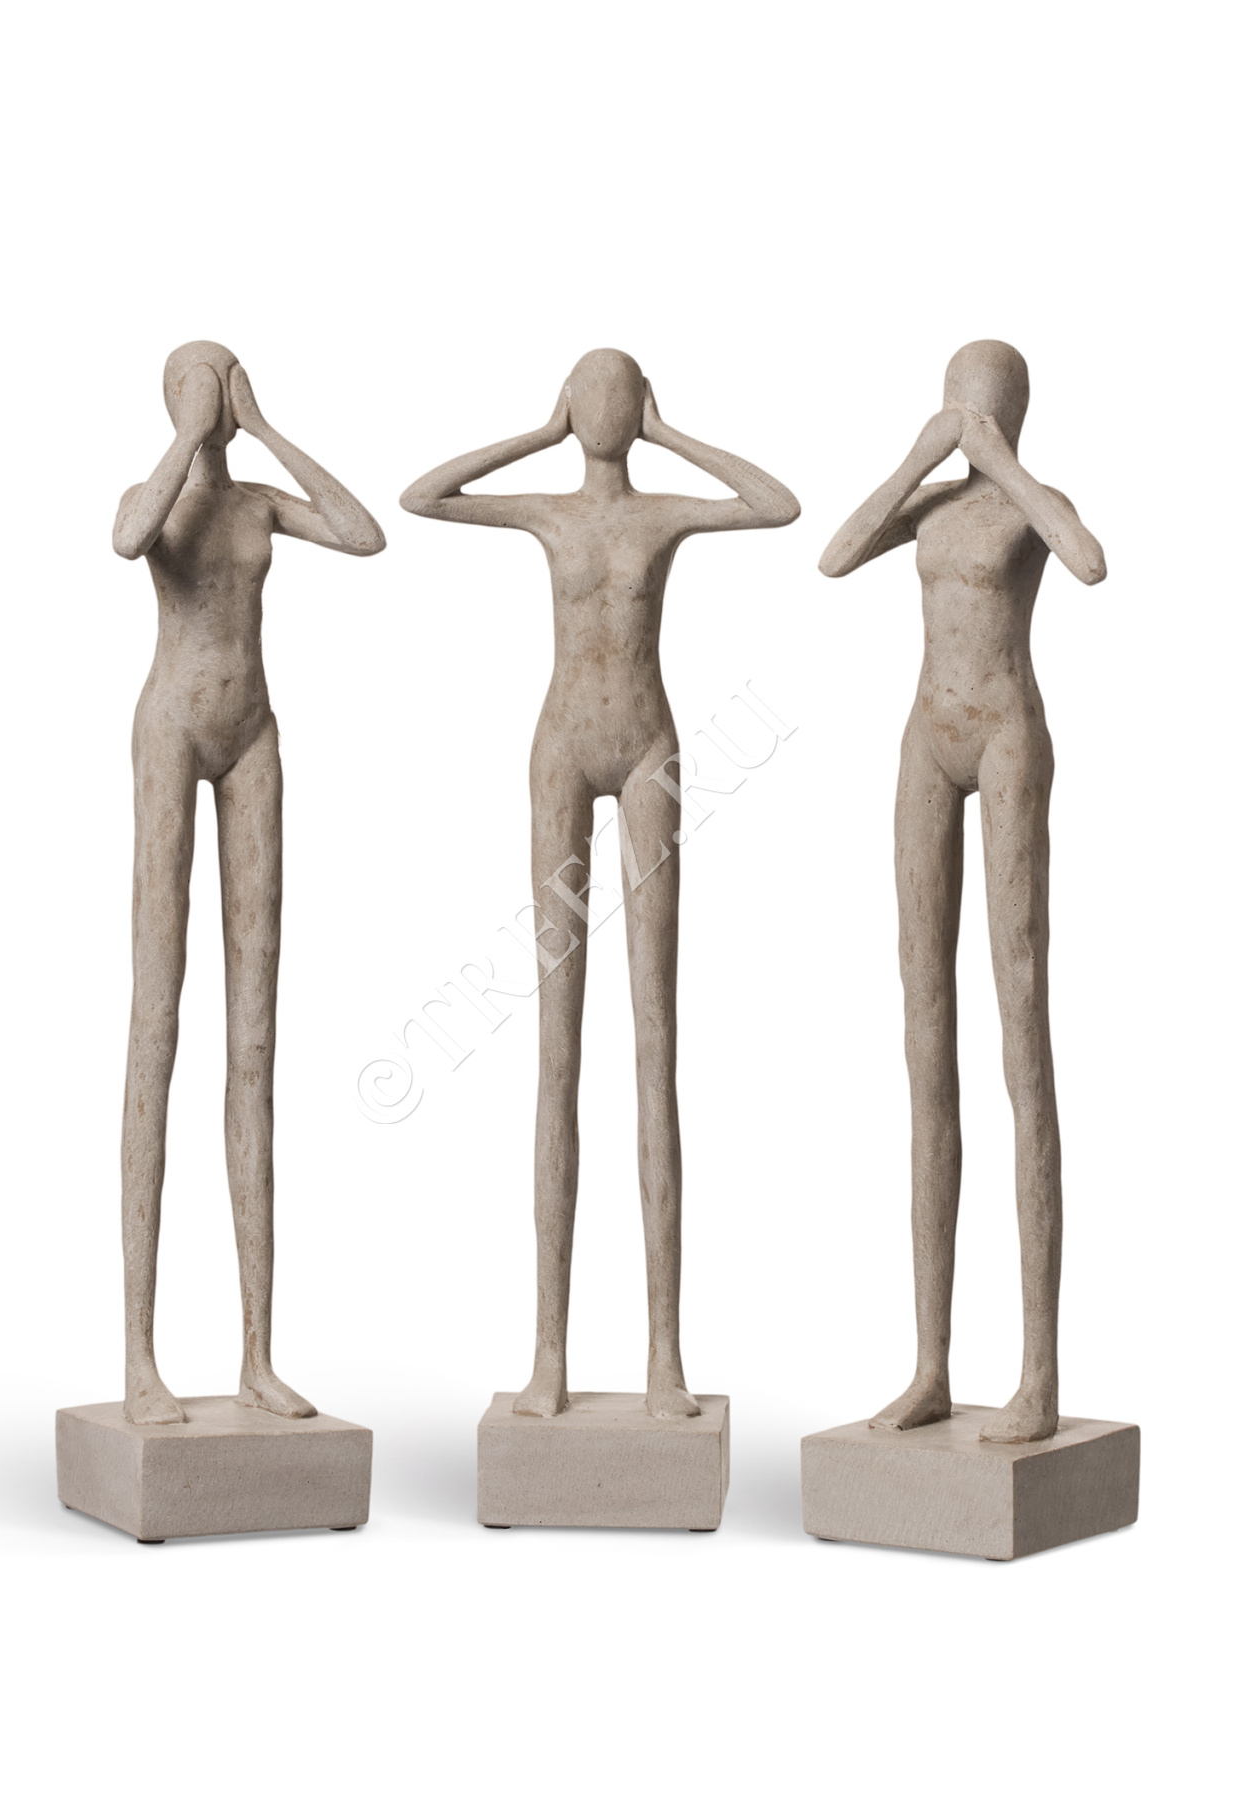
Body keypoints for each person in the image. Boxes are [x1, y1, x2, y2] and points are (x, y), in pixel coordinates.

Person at [402, 349, 798, 1418]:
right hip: (562, 752)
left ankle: (665, 1355)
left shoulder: (661, 516)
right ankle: (550, 1356)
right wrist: (538, 434)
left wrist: (670, 435)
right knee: (555, 1047)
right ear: (574, 409)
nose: (607, 409)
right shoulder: (548, 512)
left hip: (647, 750)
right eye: (594, 397)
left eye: (620, 396)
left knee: (655, 1042)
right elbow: (424, 496)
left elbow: (775, 504)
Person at [820, 340, 1106, 1443]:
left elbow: (1087, 561)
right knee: (923, 1037)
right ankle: (929, 1364)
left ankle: (1037, 1374)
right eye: (954, 402)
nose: (965, 416)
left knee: (1020, 1030)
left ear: (1009, 410)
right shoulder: (933, 509)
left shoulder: (1029, 505)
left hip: (1004, 736)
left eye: (978, 404)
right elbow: (835, 555)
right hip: (924, 742)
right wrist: (920, 457)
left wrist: (1006, 466)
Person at [113, 341, 385, 1425]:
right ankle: (139, 1355)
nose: (214, 397)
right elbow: (126, 537)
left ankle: (257, 1354)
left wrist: (265, 429)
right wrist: (187, 436)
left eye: (223, 383)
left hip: (253, 736)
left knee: (255, 1039)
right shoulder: (154, 494)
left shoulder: (260, 503)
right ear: (172, 400)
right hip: (173, 730)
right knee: (156, 1021)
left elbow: (362, 533)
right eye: (198, 383)